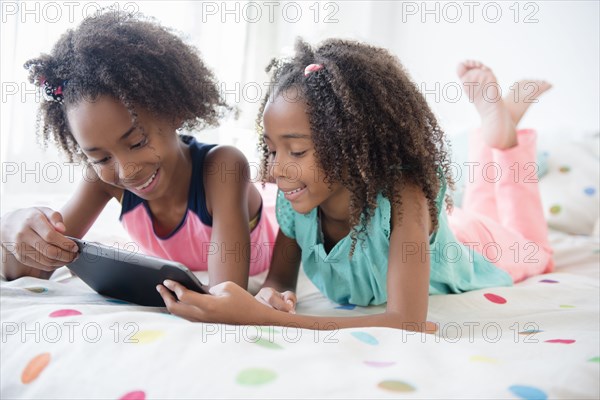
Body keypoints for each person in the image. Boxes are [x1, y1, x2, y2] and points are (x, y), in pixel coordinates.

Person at [156, 39, 554, 332]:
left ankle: (502, 141)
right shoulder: (298, 209)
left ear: (354, 146)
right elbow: (279, 282)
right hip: (453, 228)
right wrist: (270, 298)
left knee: (532, 246)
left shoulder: (405, 197)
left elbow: (407, 322)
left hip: (478, 249)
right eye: (271, 150)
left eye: (295, 152)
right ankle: (494, 135)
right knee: (479, 210)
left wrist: (257, 318)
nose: (275, 170)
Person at [0, 11, 277, 288]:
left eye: (137, 143)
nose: (127, 170)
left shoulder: (223, 167)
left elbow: (226, 295)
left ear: (174, 111)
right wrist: (11, 228)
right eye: (101, 157)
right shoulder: (101, 180)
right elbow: (30, 272)